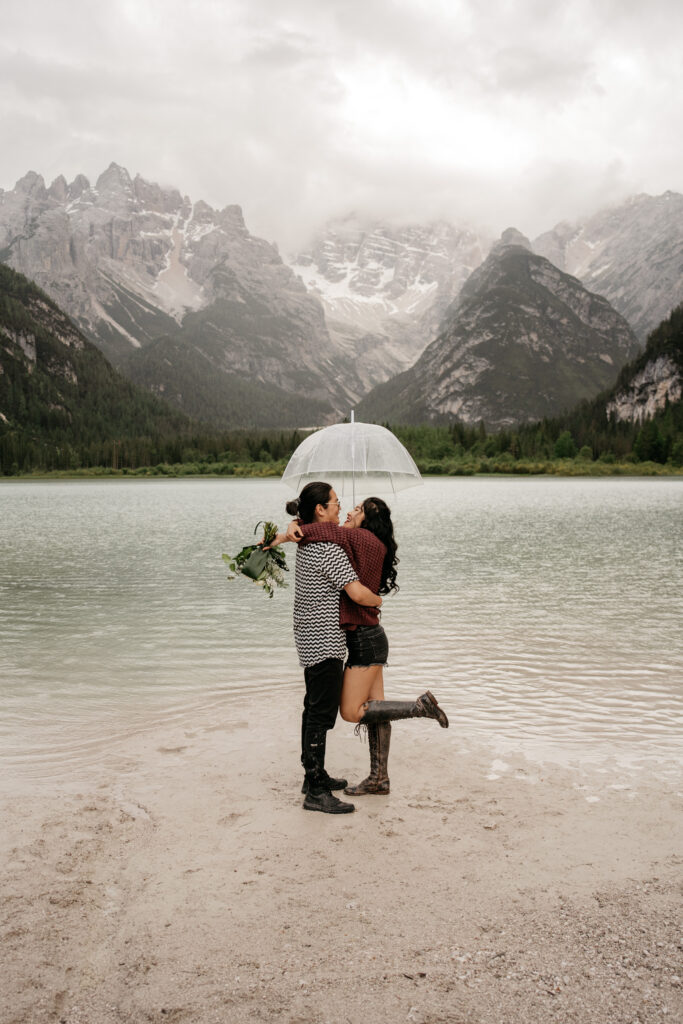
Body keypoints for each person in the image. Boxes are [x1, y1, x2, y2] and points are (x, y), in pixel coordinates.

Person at [282, 496, 449, 799]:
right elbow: (324, 533)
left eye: (356, 510)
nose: (347, 511)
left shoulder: (359, 538)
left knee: (351, 711)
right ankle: (379, 779)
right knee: (376, 710)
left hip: (364, 639)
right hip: (371, 636)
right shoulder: (371, 542)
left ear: (367, 519)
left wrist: (293, 528)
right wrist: (295, 522)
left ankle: (419, 707)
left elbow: (321, 532)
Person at [275, 481, 383, 815]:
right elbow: (357, 594)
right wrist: (379, 601)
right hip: (325, 641)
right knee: (321, 714)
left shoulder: (306, 540)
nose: (340, 506)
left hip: (308, 638)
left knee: (313, 708)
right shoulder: (327, 550)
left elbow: (295, 531)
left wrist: (292, 527)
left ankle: (313, 776)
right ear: (321, 509)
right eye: (335, 502)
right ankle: (316, 792)